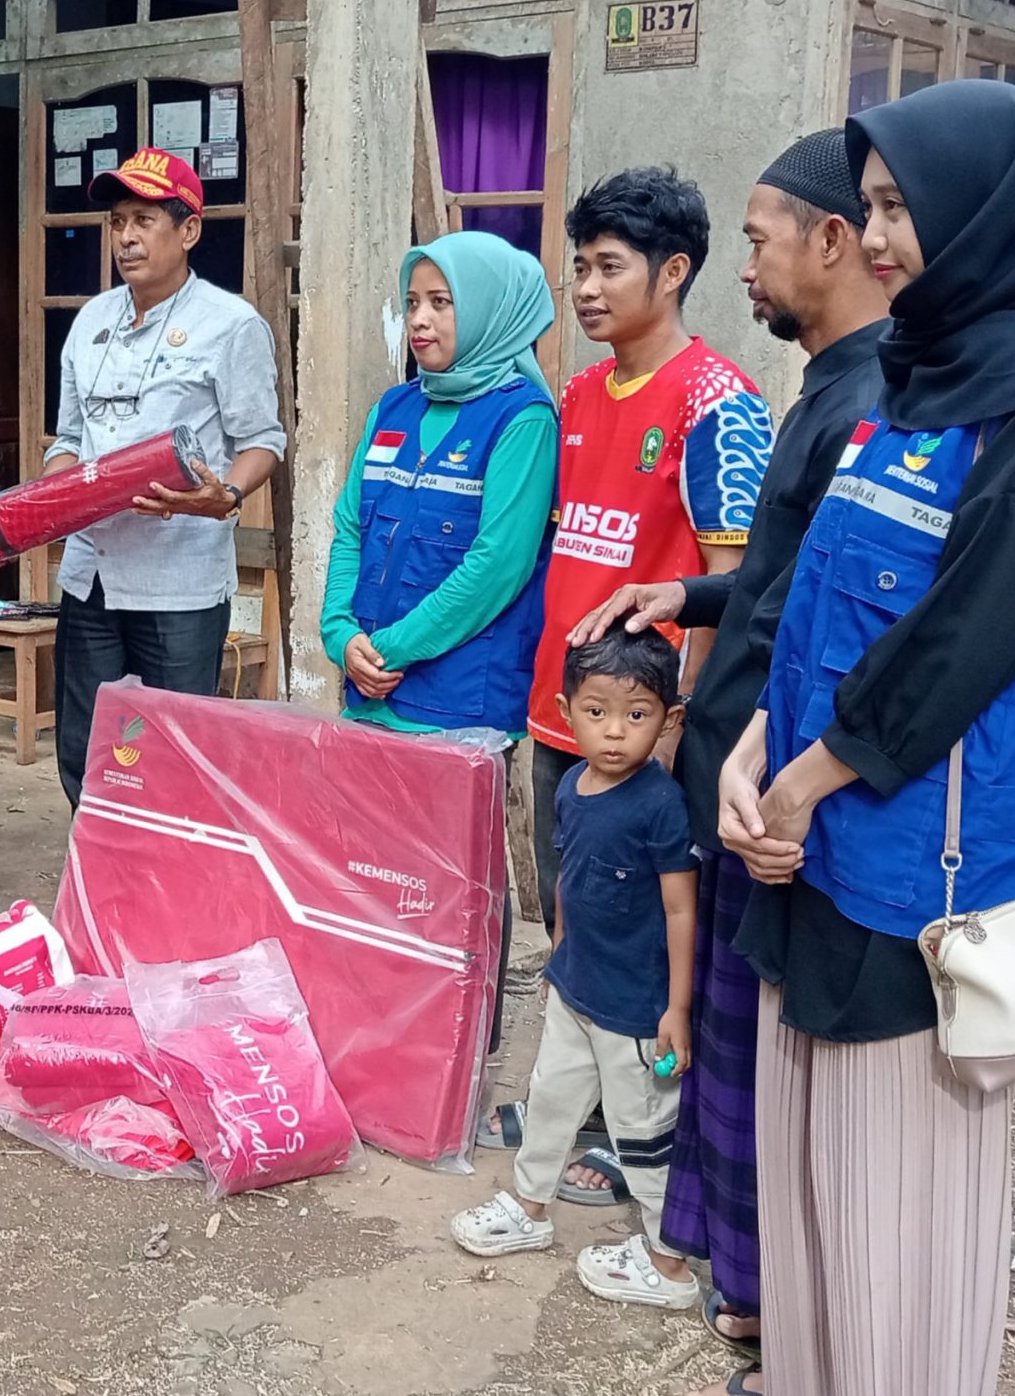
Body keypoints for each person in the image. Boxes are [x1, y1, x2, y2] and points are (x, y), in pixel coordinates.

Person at [722, 80, 1015, 1396]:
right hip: (820, 847)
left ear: (996, 212)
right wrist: (752, 747)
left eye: (903, 209)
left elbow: (958, 646)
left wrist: (795, 784)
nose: (882, 239)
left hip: (921, 882)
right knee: (812, 1213)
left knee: (894, 1230)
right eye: (870, 209)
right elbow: (822, 595)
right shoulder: (915, 375)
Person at [568, 130, 890, 1393]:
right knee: (730, 1040)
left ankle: (758, 1299)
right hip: (743, 770)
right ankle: (737, 1288)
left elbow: (837, 625)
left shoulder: (854, 402)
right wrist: (688, 598)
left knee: (743, 1042)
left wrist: (785, 773)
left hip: (774, 788)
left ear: (827, 243)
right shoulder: (830, 389)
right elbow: (769, 585)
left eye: (759, 240)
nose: (748, 264)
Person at [506, 166, 771, 1206]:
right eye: (576, 266)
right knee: (571, 925)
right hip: (561, 718)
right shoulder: (577, 394)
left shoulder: (717, 404)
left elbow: (733, 580)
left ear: (673, 272)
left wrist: (675, 731)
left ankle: (641, 1131)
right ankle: (577, 1105)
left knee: (648, 940)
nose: (584, 287)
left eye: (607, 266)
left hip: (643, 733)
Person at [450, 630, 699, 1311]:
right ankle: (528, 1210)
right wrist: (560, 945)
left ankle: (667, 1263)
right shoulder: (570, 787)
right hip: (576, 989)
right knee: (552, 1101)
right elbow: (568, 878)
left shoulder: (660, 806)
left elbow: (681, 911)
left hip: (637, 1010)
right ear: (566, 711)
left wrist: (677, 1009)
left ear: (669, 718)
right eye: (597, 712)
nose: (615, 733)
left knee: (644, 1133)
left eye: (637, 714)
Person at [46, 148, 287, 806]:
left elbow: (263, 439)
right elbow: (68, 439)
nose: (125, 236)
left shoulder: (229, 325)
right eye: (117, 221)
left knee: (176, 752)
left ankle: (172, 891)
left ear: (188, 230)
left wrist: (226, 494)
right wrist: (54, 494)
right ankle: (99, 882)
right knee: (88, 746)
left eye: (144, 220)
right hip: (90, 575)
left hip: (177, 583)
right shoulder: (91, 321)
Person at [322, 229, 557, 740]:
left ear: (488, 311)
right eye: (411, 303)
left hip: (459, 707)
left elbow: (498, 565)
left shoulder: (522, 419)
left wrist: (389, 648)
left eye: (440, 303)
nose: (418, 320)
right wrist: (340, 633)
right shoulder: (393, 407)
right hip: (370, 692)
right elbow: (348, 529)